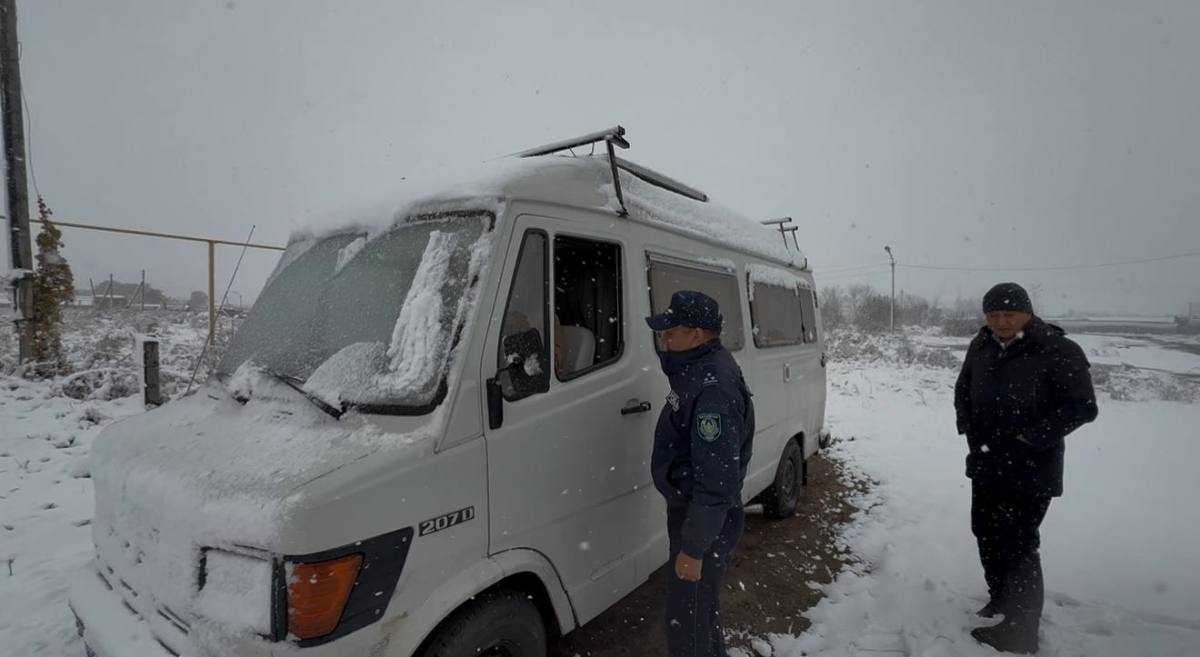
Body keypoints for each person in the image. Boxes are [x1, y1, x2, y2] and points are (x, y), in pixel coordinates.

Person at [955, 282, 1098, 654]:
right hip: (986, 461)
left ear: (1028, 313)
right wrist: (968, 428)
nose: (1001, 321)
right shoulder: (981, 344)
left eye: (1009, 314)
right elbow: (963, 388)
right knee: (985, 531)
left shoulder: (1056, 348)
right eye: (993, 314)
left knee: (1018, 544)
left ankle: (1021, 631)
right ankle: (1001, 599)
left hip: (1031, 468)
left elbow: (1082, 406)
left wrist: (1029, 439)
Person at [646, 290, 755, 657]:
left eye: (671, 331)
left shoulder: (712, 389)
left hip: (704, 519)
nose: (664, 339)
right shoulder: (699, 369)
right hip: (699, 516)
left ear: (696, 335)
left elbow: (716, 481)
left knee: (687, 624)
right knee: (700, 612)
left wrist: (693, 548)